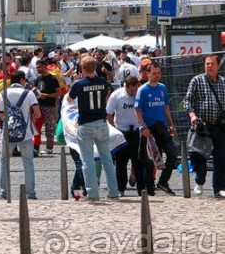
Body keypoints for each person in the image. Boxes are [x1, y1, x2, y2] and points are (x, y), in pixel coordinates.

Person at [68, 57, 120, 201]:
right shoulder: (103, 82)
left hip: (86, 123)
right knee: (107, 158)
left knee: (87, 159)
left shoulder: (79, 84)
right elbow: (107, 94)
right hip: (101, 122)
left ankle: (92, 193)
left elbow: (69, 99)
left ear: (83, 69)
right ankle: (113, 192)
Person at [135, 60, 178, 196]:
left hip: (162, 127)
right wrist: (143, 127)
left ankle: (163, 182)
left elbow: (166, 106)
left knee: (172, 154)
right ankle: (149, 188)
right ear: (147, 74)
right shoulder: (142, 90)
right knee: (150, 161)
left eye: (158, 73)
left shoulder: (162, 88)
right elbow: (137, 110)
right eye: (153, 73)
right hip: (149, 128)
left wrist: (171, 124)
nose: (156, 75)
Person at [185, 54, 225, 197]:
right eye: (207, 64)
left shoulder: (223, 82)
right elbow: (187, 101)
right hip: (203, 125)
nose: (209, 66)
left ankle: (219, 189)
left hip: (220, 126)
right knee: (198, 155)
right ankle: (199, 182)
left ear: (218, 65)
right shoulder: (197, 80)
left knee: (221, 158)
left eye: (212, 64)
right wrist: (193, 116)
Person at [0, 70, 40, 200]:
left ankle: (4, 192)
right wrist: (28, 120)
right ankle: (30, 193)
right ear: (22, 80)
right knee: (28, 162)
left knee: (4, 160)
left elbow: (1, 114)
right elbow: (38, 113)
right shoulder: (28, 94)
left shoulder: (3, 93)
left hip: (8, 133)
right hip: (25, 133)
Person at [106, 75, 144, 196]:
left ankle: (141, 189)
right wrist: (114, 130)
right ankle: (121, 188)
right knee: (121, 162)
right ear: (126, 86)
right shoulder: (117, 95)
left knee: (138, 161)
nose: (134, 93)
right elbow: (108, 114)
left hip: (136, 131)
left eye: (135, 90)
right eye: (132, 90)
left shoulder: (139, 93)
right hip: (122, 132)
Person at [33, 59, 61, 155]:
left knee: (49, 128)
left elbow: (58, 93)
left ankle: (49, 147)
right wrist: (34, 92)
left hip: (49, 106)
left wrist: (47, 95)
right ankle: (36, 147)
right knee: (37, 126)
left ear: (44, 66)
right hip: (39, 105)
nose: (37, 69)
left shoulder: (53, 79)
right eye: (36, 67)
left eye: (39, 67)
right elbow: (36, 89)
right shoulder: (38, 79)